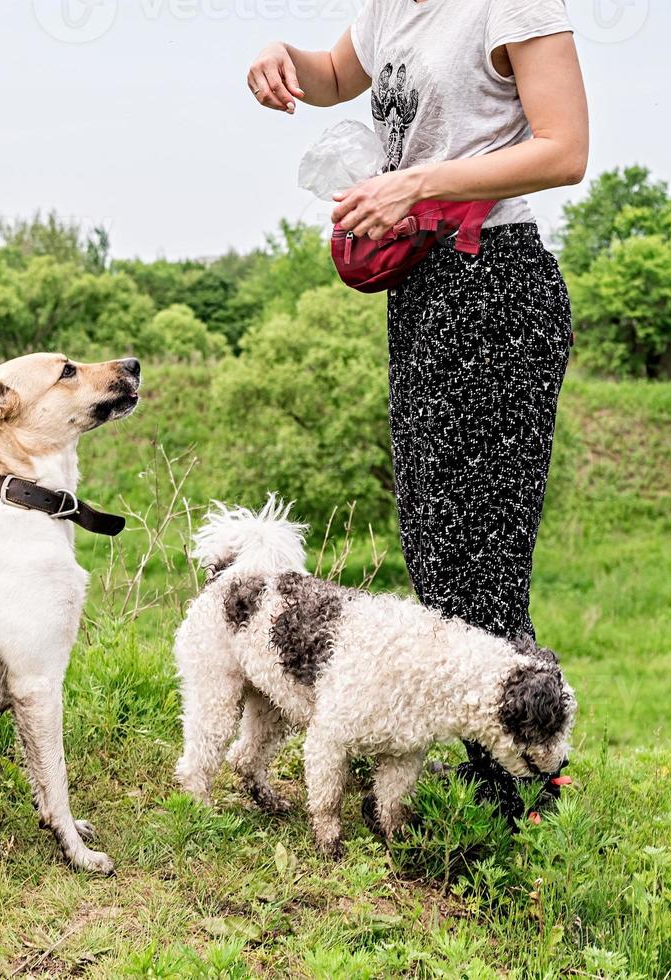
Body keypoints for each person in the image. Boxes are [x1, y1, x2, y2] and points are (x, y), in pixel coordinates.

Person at [247, 0, 588, 812]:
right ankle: (478, 770)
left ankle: (521, 789)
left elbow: (565, 149)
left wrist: (418, 182)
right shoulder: (390, 6)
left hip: (498, 285)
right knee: (435, 549)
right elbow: (333, 75)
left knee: (486, 561)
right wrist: (279, 55)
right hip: (425, 289)